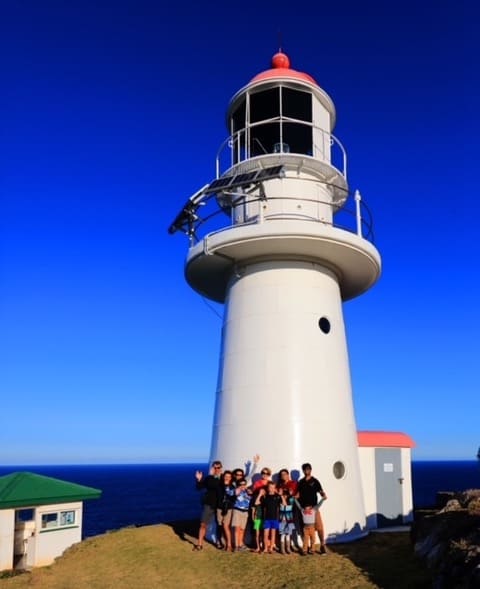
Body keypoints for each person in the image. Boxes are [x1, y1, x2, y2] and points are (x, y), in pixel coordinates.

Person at [297, 462, 328, 555]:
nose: (307, 471)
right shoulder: (301, 482)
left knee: (319, 527)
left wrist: (323, 495)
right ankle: (306, 548)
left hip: (314, 508)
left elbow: (320, 490)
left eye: (309, 469)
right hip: (304, 510)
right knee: (306, 529)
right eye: (305, 469)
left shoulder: (315, 481)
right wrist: (295, 497)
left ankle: (322, 545)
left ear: (311, 470)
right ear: (303, 471)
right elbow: (298, 494)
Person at [193, 460, 223, 551]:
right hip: (209, 504)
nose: (216, 469)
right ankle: (199, 544)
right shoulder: (209, 478)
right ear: (212, 468)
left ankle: (218, 542)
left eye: (218, 467)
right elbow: (199, 487)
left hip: (220, 505)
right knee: (203, 524)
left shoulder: (224, 478)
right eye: (215, 467)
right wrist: (198, 479)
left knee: (219, 525)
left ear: (221, 468)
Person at [257, 481, 281, 554]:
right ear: (268, 488)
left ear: (275, 488)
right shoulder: (265, 497)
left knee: (273, 534)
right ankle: (265, 548)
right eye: (270, 487)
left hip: (275, 518)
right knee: (265, 534)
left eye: (273, 487)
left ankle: (271, 548)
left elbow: (284, 504)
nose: (271, 489)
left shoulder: (277, 497)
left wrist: (281, 495)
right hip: (267, 518)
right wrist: (260, 495)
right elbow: (257, 503)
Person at [216, 470, 236, 551]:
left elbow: (233, 498)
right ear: (223, 476)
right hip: (219, 508)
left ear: (231, 478)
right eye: (225, 476)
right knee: (220, 525)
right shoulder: (219, 486)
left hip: (228, 508)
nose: (227, 478)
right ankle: (221, 542)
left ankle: (229, 544)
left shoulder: (232, 487)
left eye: (229, 477)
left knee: (225, 525)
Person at [232, 478, 251, 551]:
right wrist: (238, 489)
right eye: (241, 484)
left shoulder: (248, 492)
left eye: (244, 484)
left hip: (245, 511)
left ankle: (240, 544)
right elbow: (234, 493)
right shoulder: (237, 491)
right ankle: (236, 546)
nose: (243, 486)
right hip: (238, 511)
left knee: (242, 529)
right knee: (237, 528)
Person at [278, 486, 295, 554]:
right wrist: (281, 496)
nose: (284, 496)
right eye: (284, 495)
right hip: (282, 521)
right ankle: (282, 549)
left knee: (288, 534)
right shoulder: (280, 502)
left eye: (286, 495)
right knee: (283, 534)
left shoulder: (290, 501)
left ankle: (288, 548)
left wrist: (289, 494)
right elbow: (283, 504)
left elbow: (286, 504)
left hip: (289, 520)